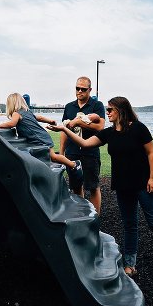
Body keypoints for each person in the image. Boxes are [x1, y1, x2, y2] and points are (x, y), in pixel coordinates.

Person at [50, 96, 153, 283]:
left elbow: (151, 153)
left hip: (144, 184)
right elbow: (85, 144)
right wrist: (64, 128)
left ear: (120, 110)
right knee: (129, 225)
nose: (108, 112)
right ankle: (130, 265)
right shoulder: (109, 133)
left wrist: (152, 178)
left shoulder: (138, 128)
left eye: (110, 109)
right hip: (123, 186)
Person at [0, 93, 82, 179]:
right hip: (41, 136)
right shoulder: (27, 112)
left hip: (39, 138)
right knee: (48, 157)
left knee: (53, 157)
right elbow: (39, 118)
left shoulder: (16, 114)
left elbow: (12, 123)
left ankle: (73, 164)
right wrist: (50, 121)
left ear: (11, 104)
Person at [60, 77, 106, 214]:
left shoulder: (97, 105)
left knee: (93, 186)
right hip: (72, 152)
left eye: (83, 89)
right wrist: (62, 153)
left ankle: (95, 219)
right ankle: (82, 216)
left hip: (90, 152)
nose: (79, 91)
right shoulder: (69, 107)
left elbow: (101, 127)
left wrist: (79, 122)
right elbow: (64, 130)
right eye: (77, 88)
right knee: (76, 186)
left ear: (90, 90)